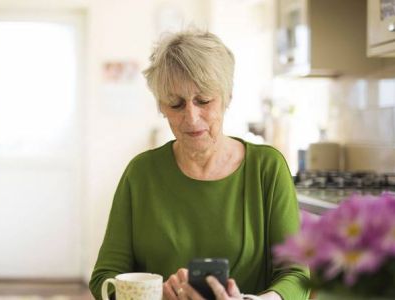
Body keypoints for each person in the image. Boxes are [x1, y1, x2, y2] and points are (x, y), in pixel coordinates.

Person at [89, 29, 310, 300]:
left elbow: (297, 275)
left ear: (227, 96)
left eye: (203, 100)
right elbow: (104, 279)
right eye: (176, 104)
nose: (191, 118)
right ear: (161, 105)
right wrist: (154, 293)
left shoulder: (267, 168)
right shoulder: (141, 174)